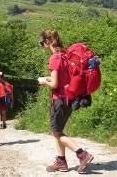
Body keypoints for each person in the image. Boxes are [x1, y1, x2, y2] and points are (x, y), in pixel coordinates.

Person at [38, 30, 94, 173]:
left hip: (60, 100)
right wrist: (49, 78)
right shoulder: (65, 55)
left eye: (42, 43)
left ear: (47, 42)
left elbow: (55, 84)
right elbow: (65, 79)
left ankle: (82, 154)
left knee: (56, 132)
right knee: (58, 130)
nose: (42, 45)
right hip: (70, 98)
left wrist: (44, 81)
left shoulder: (54, 58)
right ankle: (61, 161)